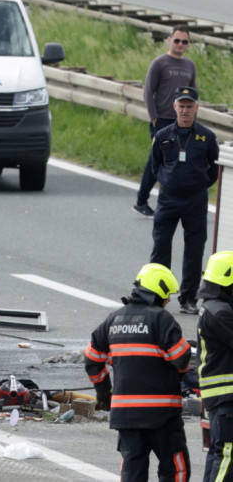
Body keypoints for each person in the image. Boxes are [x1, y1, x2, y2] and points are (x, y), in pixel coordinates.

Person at [85, 263, 192, 482]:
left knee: (132, 472)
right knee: (175, 469)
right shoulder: (161, 319)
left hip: (125, 415)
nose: (169, 301)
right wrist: (176, 376)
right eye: (167, 296)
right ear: (158, 292)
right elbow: (182, 358)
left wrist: (105, 393)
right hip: (163, 415)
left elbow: (92, 359)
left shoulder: (113, 320)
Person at [150, 86, 219, 314]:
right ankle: (157, 295)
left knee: (194, 250)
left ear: (196, 108)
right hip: (168, 199)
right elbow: (154, 165)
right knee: (161, 247)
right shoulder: (163, 136)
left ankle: (188, 298)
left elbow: (215, 168)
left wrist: (200, 184)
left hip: (195, 201)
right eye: (182, 106)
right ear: (175, 107)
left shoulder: (207, 137)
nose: (185, 111)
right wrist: (167, 181)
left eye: (190, 107)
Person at [134, 26, 196, 216]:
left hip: (182, 122)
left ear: (188, 44)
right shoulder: (160, 63)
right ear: (169, 40)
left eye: (184, 42)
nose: (180, 45)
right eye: (177, 40)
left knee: (179, 162)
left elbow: (192, 97)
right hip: (161, 120)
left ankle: (173, 202)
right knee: (158, 161)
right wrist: (154, 119)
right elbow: (148, 92)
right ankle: (141, 201)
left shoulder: (190, 66)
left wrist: (192, 121)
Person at [197, 251, 233, 482]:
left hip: (220, 397)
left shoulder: (213, 307)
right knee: (228, 455)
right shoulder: (221, 312)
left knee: (218, 454)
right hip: (226, 397)